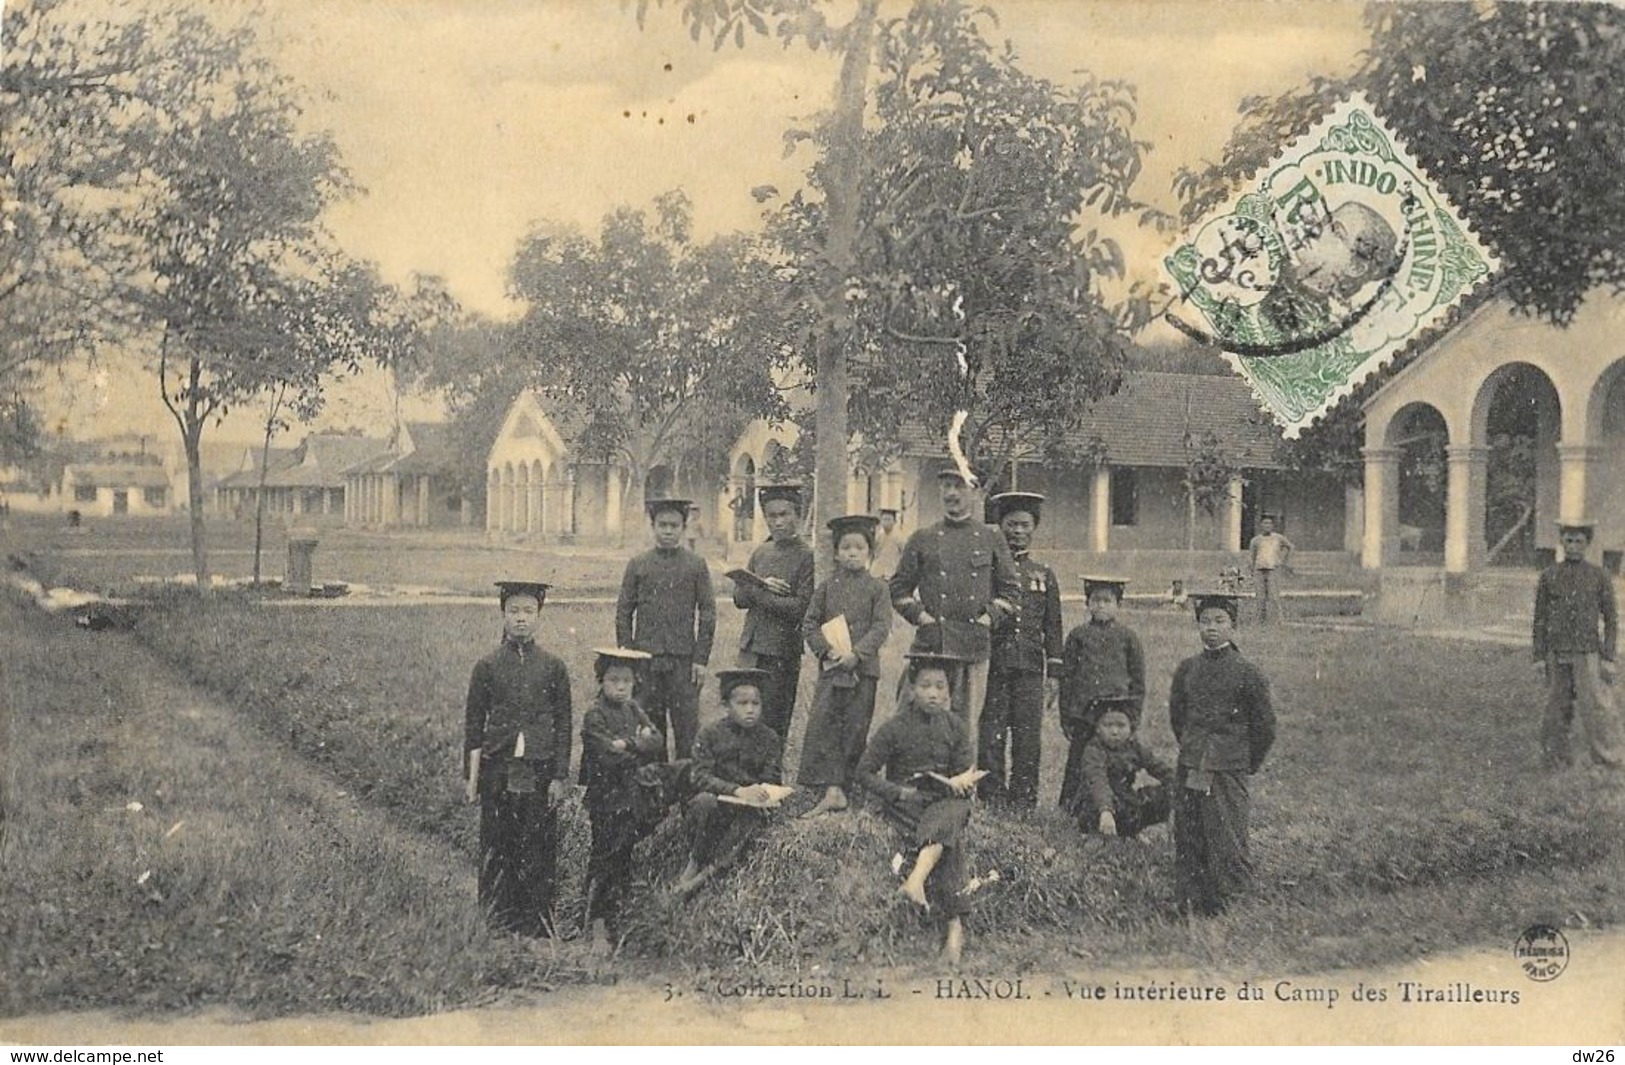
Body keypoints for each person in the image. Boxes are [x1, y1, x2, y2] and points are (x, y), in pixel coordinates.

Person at [463, 580, 573, 937]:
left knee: (539, 843)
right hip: (498, 767)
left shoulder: (553, 667)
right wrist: (472, 778)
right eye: (514, 611)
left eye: (528, 612)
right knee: (498, 841)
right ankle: (496, 918)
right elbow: (474, 724)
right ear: (503, 614)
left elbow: (564, 723)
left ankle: (537, 921)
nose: (521, 619)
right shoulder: (487, 666)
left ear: (539, 616)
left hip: (538, 769)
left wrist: (559, 775)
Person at [889, 467, 1019, 762]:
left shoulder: (990, 537)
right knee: (910, 713)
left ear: (974, 491)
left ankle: (959, 790)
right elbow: (898, 589)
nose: (951, 493)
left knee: (965, 724)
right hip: (932, 644)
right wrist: (922, 618)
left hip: (973, 647)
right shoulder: (923, 537)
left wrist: (988, 619)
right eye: (946, 486)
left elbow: (1011, 592)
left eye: (959, 486)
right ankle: (908, 783)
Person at [857, 652, 978, 965]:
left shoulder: (955, 727)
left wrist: (962, 782)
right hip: (908, 804)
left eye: (940, 687)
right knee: (951, 840)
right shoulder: (894, 728)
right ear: (911, 688)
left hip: (945, 802)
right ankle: (954, 928)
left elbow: (966, 772)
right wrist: (896, 792)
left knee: (953, 810)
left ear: (949, 692)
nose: (934, 693)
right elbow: (864, 772)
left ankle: (915, 881)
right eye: (925, 685)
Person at [1169, 592, 1276, 917]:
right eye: (1205, 621)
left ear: (1233, 625)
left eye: (1219, 621)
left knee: (1226, 836)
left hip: (1229, 767)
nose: (1211, 628)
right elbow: (1178, 716)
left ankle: (1231, 903)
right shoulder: (1187, 669)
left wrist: (1243, 761)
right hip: (1191, 763)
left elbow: (1264, 726)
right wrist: (1192, 748)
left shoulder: (1247, 672)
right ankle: (1191, 901)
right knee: (1189, 833)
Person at [798, 514, 892, 817]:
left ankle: (847, 787)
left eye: (859, 548)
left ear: (869, 553)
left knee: (855, 726)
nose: (852, 553)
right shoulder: (827, 587)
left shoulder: (878, 588)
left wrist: (858, 655)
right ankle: (828, 787)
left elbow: (881, 626)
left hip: (863, 672)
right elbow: (810, 623)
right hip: (832, 669)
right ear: (836, 552)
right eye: (846, 547)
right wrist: (826, 651)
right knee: (825, 724)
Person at [579, 647, 666, 953]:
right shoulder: (595, 715)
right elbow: (607, 755)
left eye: (627, 681)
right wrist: (637, 746)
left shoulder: (635, 710)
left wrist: (629, 743)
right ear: (601, 681)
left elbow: (657, 741)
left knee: (624, 855)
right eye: (614, 680)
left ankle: (620, 918)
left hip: (633, 796)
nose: (621, 687)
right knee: (605, 855)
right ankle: (596, 924)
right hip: (605, 799)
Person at [979, 492, 1063, 806]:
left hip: (1029, 667)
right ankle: (991, 797)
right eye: (1011, 524)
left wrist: (1054, 674)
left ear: (1034, 528)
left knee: (1028, 736)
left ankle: (1024, 799)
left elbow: (1053, 627)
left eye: (1024, 525)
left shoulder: (1043, 574)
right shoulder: (989, 570)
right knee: (992, 732)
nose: (1017, 531)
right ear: (1000, 527)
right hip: (995, 665)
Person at [616, 498, 716, 760]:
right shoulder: (638, 564)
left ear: (684, 528)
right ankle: (654, 790)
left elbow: (707, 613)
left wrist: (700, 659)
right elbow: (624, 612)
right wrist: (628, 658)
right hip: (646, 661)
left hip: (683, 662)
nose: (668, 531)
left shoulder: (696, 565)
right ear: (653, 526)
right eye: (662, 525)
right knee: (650, 728)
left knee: (687, 728)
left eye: (674, 525)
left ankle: (686, 789)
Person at [676, 668, 784, 895]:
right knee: (705, 802)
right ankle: (694, 863)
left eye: (756, 704)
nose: (750, 710)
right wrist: (735, 790)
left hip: (745, 808)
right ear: (726, 706)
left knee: (752, 819)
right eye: (742, 703)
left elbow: (772, 777)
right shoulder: (710, 734)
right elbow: (699, 776)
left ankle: (704, 878)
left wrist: (763, 793)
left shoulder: (769, 738)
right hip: (714, 805)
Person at [1533, 519, 1622, 769]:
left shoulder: (1599, 576)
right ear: (1562, 542)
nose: (1573, 546)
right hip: (1556, 650)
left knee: (1597, 705)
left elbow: (1611, 619)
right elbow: (1539, 619)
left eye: (1579, 541)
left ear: (1587, 544)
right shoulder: (1549, 576)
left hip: (1587, 651)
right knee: (1556, 706)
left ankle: (1609, 757)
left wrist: (1608, 656)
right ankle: (1555, 757)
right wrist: (1539, 656)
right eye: (1568, 540)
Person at [732, 483, 815, 746]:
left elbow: (801, 607)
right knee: (744, 715)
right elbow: (738, 598)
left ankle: (771, 779)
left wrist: (759, 593)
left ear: (797, 516)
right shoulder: (760, 552)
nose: (777, 522)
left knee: (775, 721)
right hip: (751, 648)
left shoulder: (807, 557)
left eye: (784, 515)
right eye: (771, 516)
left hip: (781, 652)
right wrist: (760, 585)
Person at [1058, 576, 1146, 813]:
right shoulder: (1078, 635)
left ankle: (1116, 806)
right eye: (1095, 600)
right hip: (1084, 714)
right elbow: (1067, 677)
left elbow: (1138, 681)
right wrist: (1066, 716)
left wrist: (1133, 716)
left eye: (1107, 601)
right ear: (1087, 603)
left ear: (1118, 604)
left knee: (1116, 764)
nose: (1101, 606)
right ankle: (1070, 807)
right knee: (1078, 760)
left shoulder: (1128, 637)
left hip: (1116, 713)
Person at [1076, 703, 1175, 839]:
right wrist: (1105, 810)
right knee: (1094, 808)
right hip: (1098, 806)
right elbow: (1097, 781)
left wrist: (1178, 790)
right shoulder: (1094, 750)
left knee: (1170, 792)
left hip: (1124, 802)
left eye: (1121, 726)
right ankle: (1098, 835)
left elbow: (1161, 769)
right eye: (1108, 726)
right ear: (1098, 729)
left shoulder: (1134, 747)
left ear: (1130, 729)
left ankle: (1129, 832)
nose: (1115, 732)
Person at [1248, 514, 1293, 624]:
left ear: (1273, 526)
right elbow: (1252, 556)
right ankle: (1260, 621)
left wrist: (1283, 561)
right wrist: (1252, 569)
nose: (1267, 526)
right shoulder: (1256, 540)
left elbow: (1290, 546)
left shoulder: (1278, 538)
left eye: (1269, 523)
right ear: (1260, 525)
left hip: (1272, 570)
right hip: (1259, 570)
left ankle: (1279, 620)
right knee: (1260, 597)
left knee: (1274, 596)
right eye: (1264, 523)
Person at [872, 508, 904, 581]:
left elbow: (903, 553)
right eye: (884, 519)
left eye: (889, 519)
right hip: (877, 571)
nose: (886, 522)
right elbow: (873, 553)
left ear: (894, 521)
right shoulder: (878, 536)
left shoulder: (899, 537)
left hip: (892, 571)